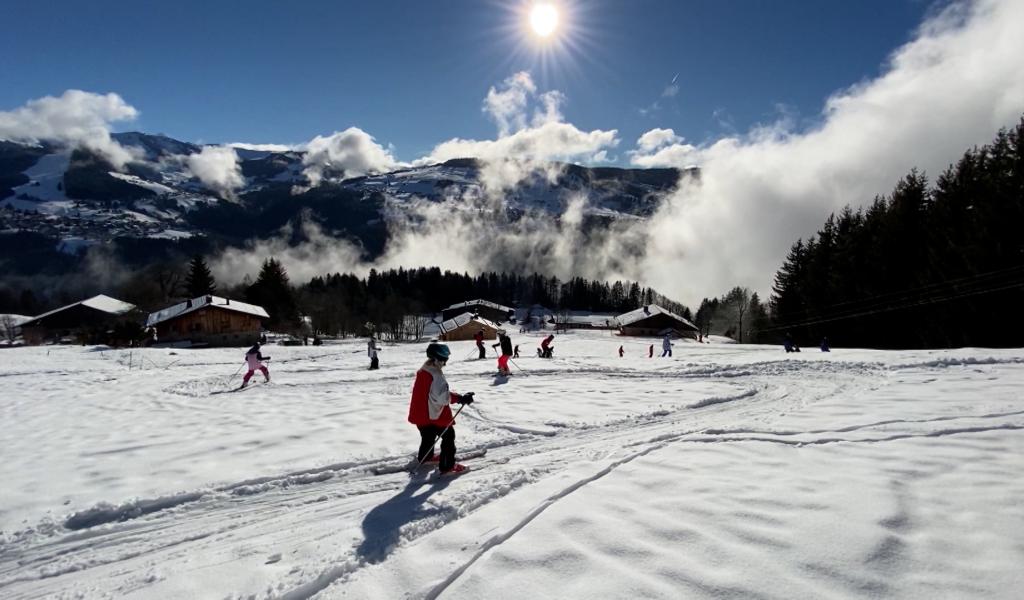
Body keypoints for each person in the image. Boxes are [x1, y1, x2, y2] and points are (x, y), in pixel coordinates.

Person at [407, 342, 475, 475]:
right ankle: (447, 467)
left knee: (428, 435)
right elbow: (443, 398)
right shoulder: (435, 375)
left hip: (420, 413)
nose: (445, 363)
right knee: (448, 436)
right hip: (432, 413)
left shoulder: (424, 369)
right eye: (445, 359)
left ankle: (426, 458)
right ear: (439, 358)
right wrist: (461, 398)